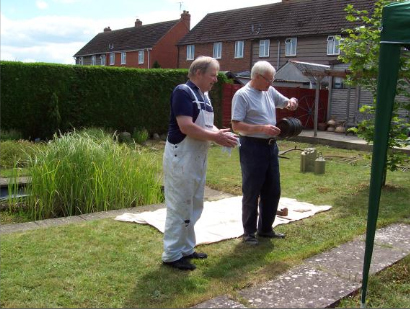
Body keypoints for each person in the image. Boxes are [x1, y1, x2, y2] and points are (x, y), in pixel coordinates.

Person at [162, 56, 238, 270]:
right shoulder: (182, 92)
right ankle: (171, 254)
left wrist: (219, 133)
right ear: (198, 73)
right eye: (212, 75)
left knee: (195, 204)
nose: (215, 79)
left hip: (197, 157)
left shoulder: (204, 96)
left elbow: (205, 125)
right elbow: (186, 126)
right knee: (180, 205)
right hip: (181, 157)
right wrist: (215, 137)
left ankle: (186, 249)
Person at [231, 61, 298, 245]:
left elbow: (285, 102)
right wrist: (262, 128)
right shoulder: (242, 95)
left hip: (270, 147)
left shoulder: (269, 91)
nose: (271, 83)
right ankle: (249, 233)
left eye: (272, 80)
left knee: (273, 190)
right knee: (252, 191)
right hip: (252, 146)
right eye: (268, 79)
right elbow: (236, 126)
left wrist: (291, 103)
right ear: (257, 77)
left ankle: (266, 229)